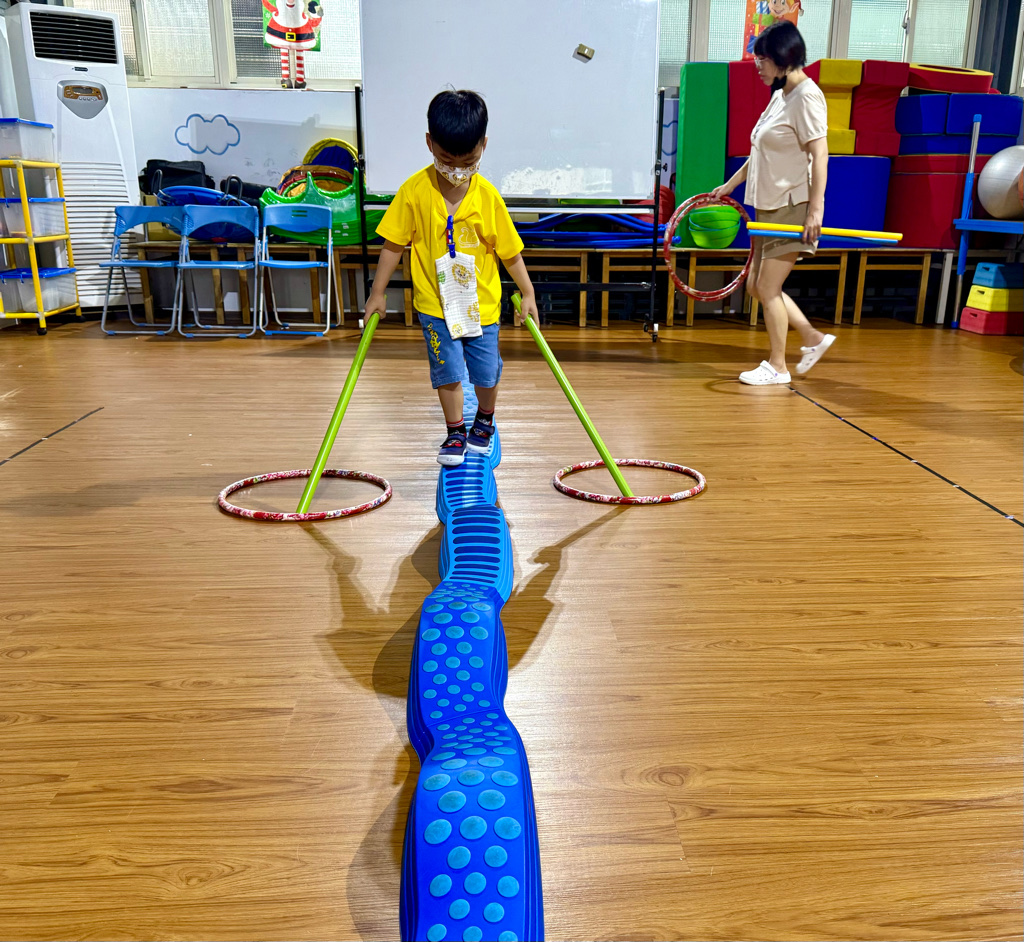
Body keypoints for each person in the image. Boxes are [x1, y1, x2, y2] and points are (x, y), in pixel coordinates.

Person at [364, 89, 538, 466]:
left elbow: (510, 251)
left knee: (486, 373)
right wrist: (377, 293)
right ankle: (455, 430)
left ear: (483, 146)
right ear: (430, 144)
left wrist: (527, 292)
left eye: (468, 161)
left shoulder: (488, 197)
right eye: (447, 160)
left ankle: (484, 420)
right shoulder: (414, 192)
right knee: (447, 371)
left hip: (482, 307)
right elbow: (392, 245)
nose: (457, 169)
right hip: (434, 306)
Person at [713, 20, 836, 385]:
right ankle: (811, 336)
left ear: (784, 57)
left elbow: (820, 155)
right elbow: (760, 152)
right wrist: (730, 185)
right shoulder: (781, 95)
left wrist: (815, 210)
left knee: (767, 289)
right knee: (757, 286)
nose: (758, 65)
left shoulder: (806, 97)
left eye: (763, 59)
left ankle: (778, 366)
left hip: (790, 206)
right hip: (767, 206)